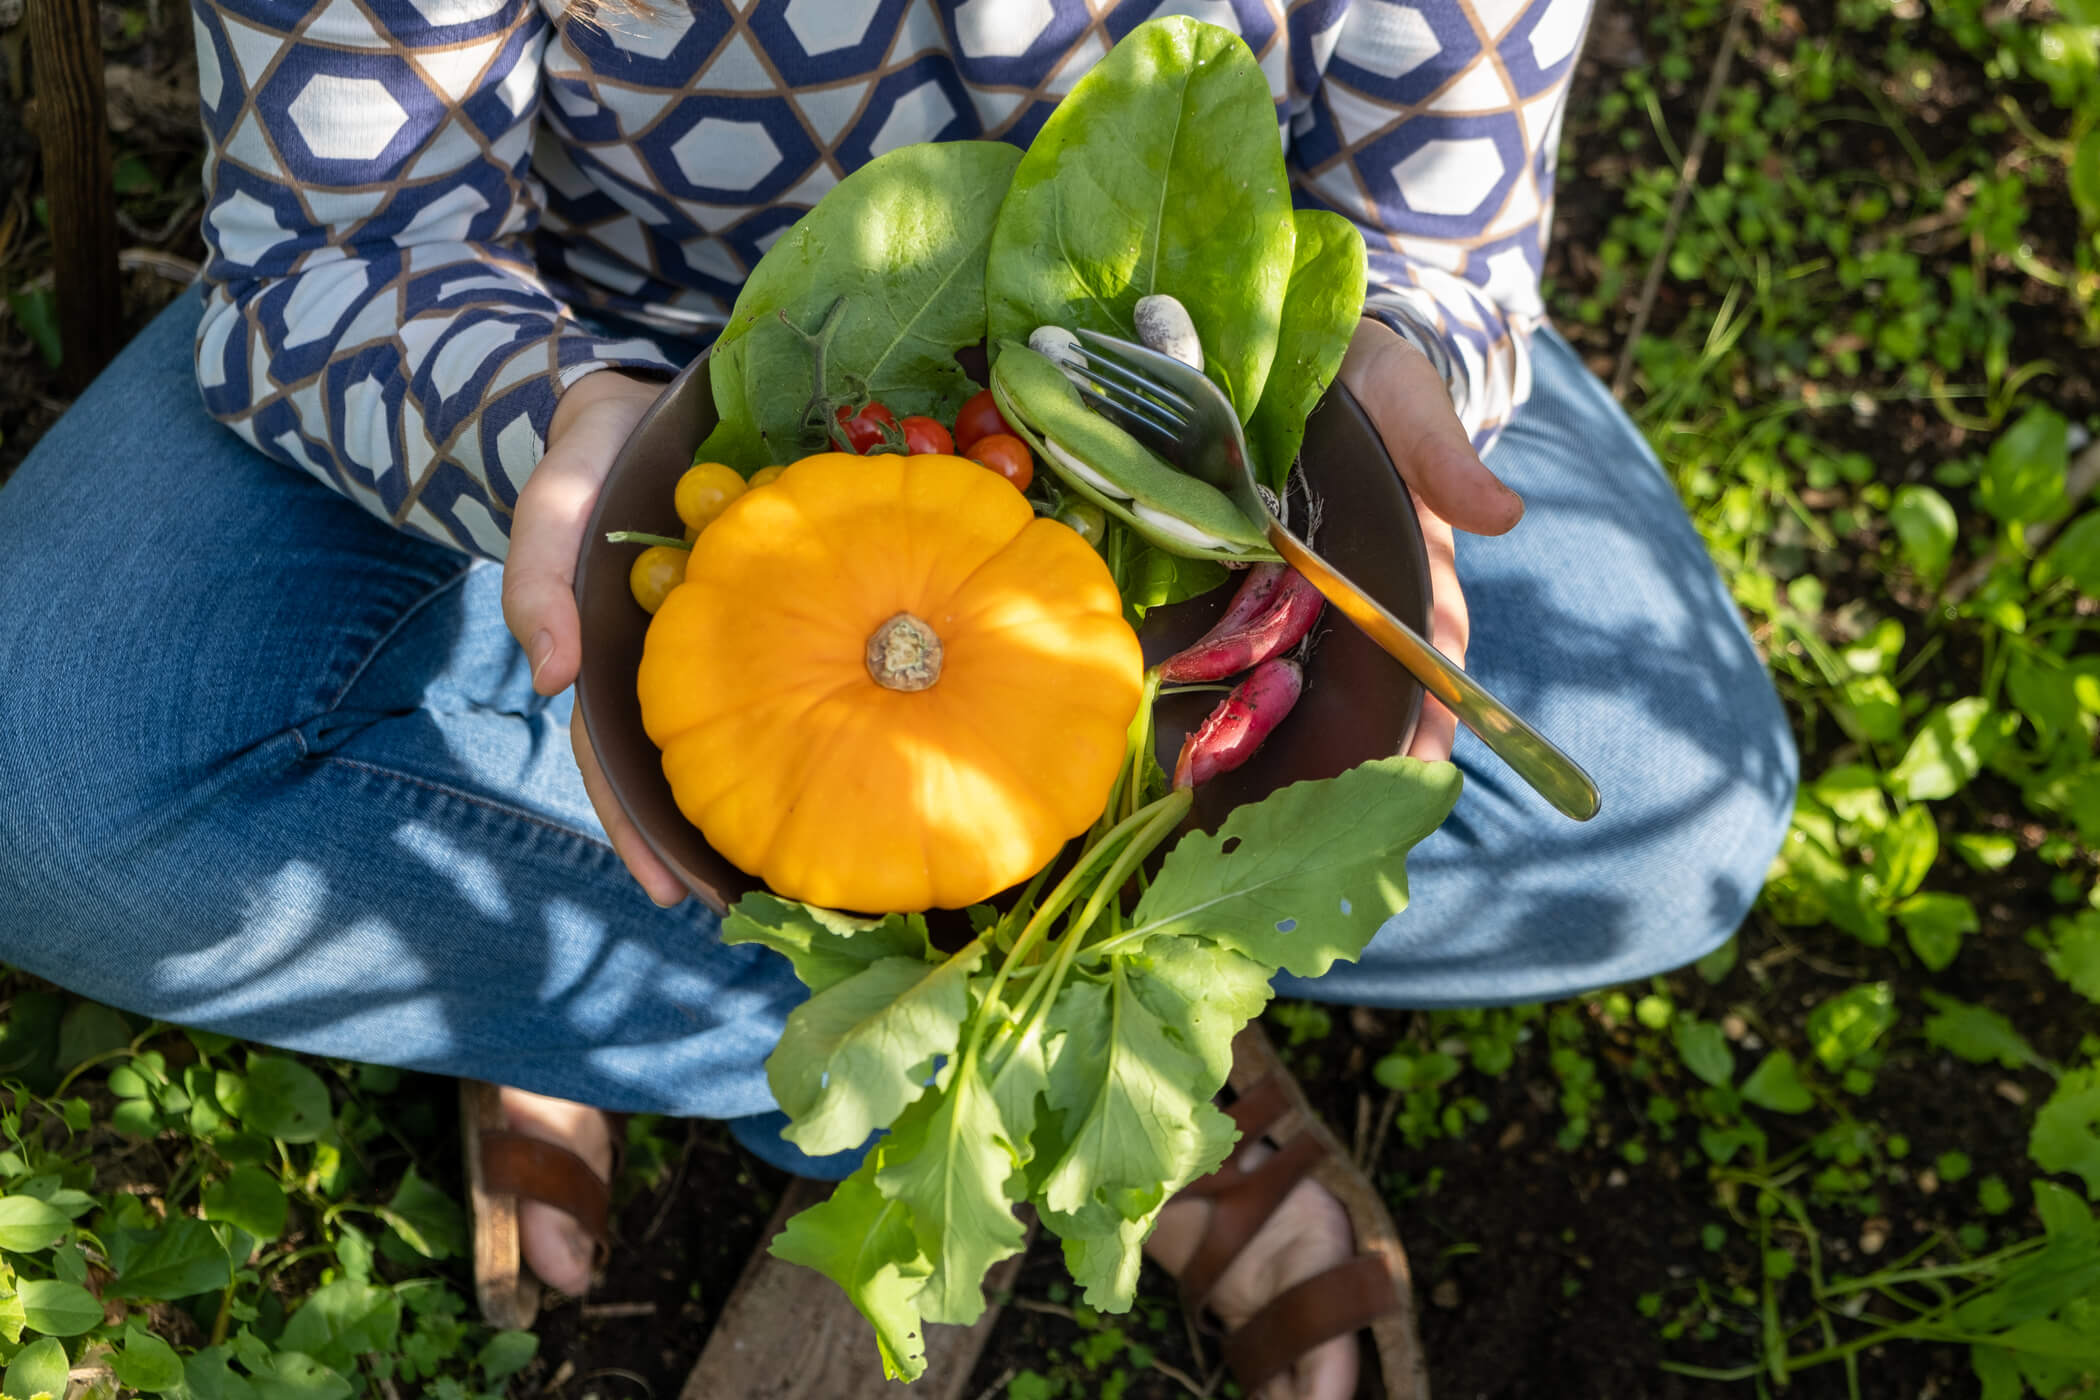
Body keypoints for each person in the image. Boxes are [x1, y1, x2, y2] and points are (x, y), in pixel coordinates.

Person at [0, 2, 1797, 1396]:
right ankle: (1082, 1062)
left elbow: (1443, 226)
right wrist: (551, 442)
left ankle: (612, 941)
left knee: (1664, 821)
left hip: (1176, 438)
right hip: (588, 366)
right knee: (58, 778)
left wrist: (1375, 381)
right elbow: (349, 245)